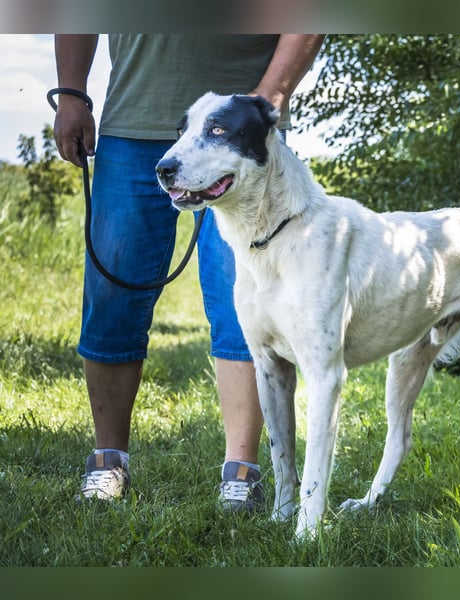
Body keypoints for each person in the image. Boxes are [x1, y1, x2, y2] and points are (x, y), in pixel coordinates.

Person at [52, 34, 325, 511]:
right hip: (133, 120)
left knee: (245, 306)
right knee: (111, 294)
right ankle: (107, 459)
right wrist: (71, 91)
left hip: (238, 135)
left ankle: (242, 472)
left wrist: (270, 96)